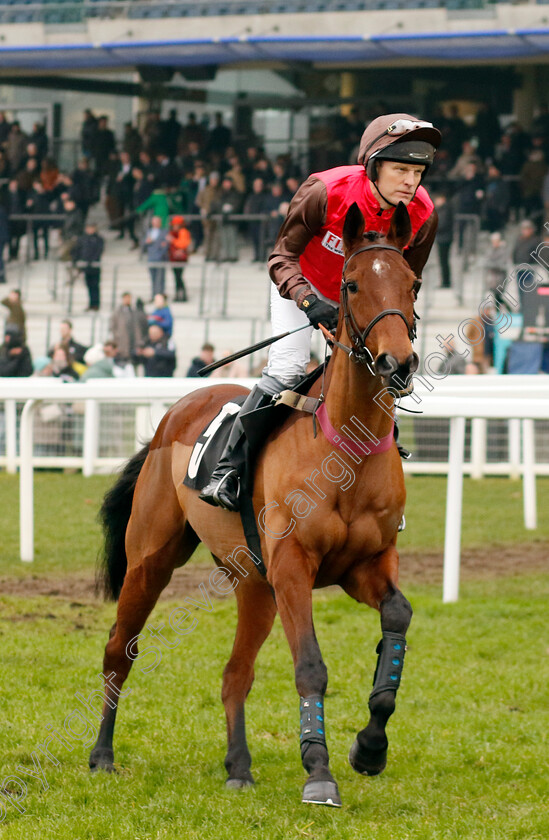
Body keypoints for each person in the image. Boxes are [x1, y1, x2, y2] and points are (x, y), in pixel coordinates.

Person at [200, 112, 441, 510]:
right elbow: (281, 257)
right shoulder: (326, 191)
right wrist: (311, 304)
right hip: (303, 288)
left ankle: (383, 496)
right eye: (400, 170)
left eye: (417, 172)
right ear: (373, 166)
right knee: (288, 369)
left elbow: (407, 278)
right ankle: (228, 469)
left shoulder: (424, 213)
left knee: (382, 377)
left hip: (363, 302)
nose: (410, 181)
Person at [72, 222, 104, 311]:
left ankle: (96, 304)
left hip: (94, 266)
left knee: (95, 285)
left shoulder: (98, 239)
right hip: (86, 267)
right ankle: (90, 304)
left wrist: (91, 261)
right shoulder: (82, 239)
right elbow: (77, 250)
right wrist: (77, 260)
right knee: (89, 285)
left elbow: (99, 251)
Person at [109, 291, 147, 364]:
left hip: (133, 342)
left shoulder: (134, 312)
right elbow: (113, 327)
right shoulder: (117, 312)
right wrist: (117, 337)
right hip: (122, 342)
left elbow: (138, 328)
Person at [512, 219, 540, 311]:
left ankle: (529, 308)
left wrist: (533, 264)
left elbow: (537, 255)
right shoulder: (519, 240)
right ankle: (522, 307)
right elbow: (515, 252)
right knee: (520, 289)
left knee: (528, 289)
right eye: (524, 229)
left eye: (527, 229)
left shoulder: (535, 241)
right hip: (519, 269)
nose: (525, 231)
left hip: (529, 269)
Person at [142, 215, 169, 298]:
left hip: (160, 258)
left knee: (160, 278)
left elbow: (165, 245)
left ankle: (160, 295)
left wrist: (161, 252)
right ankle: (153, 295)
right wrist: (147, 242)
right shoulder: (149, 232)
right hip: (151, 258)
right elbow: (143, 244)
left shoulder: (164, 232)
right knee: (153, 278)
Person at [167, 215, 191, 301]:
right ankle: (178, 294)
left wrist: (172, 240)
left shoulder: (183, 232)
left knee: (179, 277)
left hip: (181, 259)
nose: (174, 226)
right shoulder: (172, 233)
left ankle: (182, 294)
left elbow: (182, 244)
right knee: (176, 277)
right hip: (173, 258)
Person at [434, 193, 453, 289]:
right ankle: (445, 281)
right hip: (442, 238)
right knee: (443, 261)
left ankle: (446, 282)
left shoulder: (445, 210)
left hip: (445, 238)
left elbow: (442, 224)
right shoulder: (442, 210)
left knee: (444, 261)